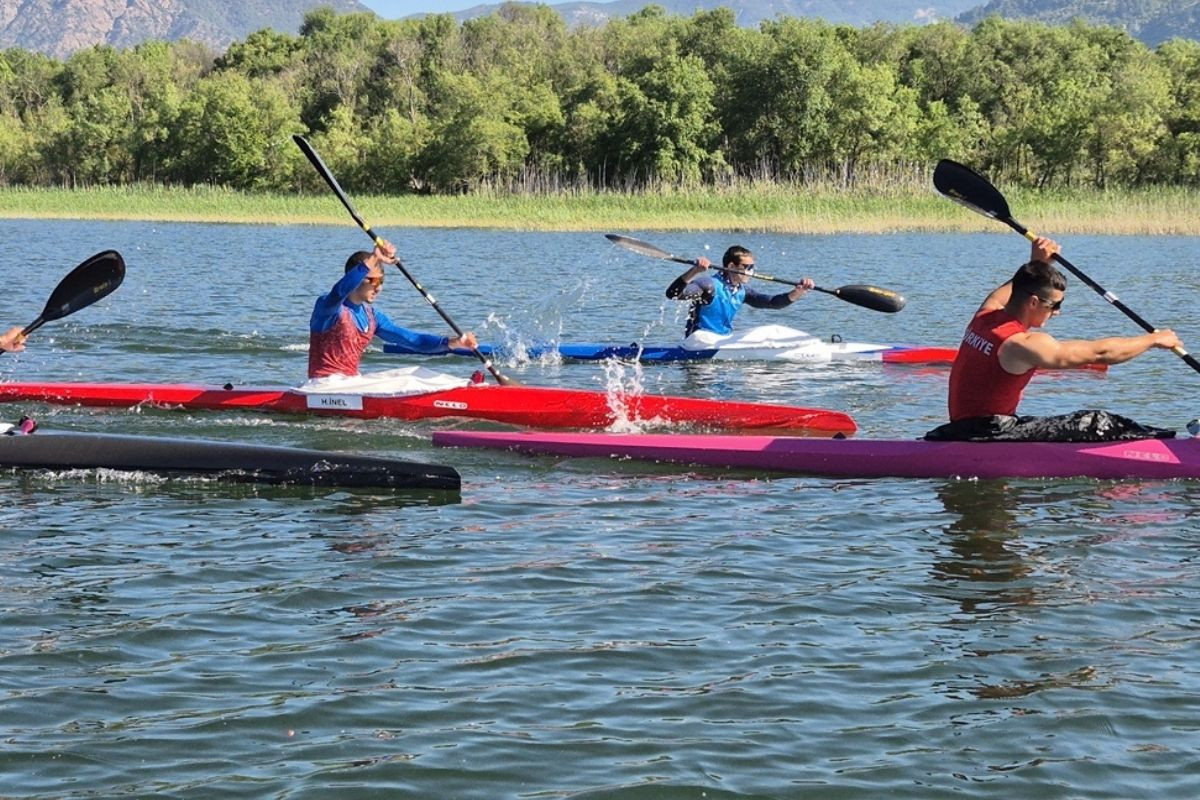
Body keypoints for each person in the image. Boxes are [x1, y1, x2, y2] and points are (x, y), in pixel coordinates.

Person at [925, 236, 1183, 442]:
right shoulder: (1020, 345)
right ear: (1034, 302)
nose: (1057, 313)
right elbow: (1099, 354)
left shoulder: (985, 316)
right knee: (1097, 422)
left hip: (962, 428)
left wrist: (1038, 263)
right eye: (1054, 306)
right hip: (988, 433)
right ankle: (1170, 447)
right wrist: (1154, 340)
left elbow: (1015, 287)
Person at [308, 240, 477, 379]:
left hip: (352, 382)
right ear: (355, 277)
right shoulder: (328, 308)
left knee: (414, 373)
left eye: (381, 282)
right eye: (373, 281)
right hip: (323, 386)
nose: (379, 288)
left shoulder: (373, 317)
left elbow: (413, 341)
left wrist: (452, 343)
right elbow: (339, 292)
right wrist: (374, 258)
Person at [665, 245, 815, 338]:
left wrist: (798, 291)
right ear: (731, 266)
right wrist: (694, 271)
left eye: (752, 267)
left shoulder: (742, 291)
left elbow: (773, 303)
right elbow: (673, 294)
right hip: (699, 341)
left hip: (721, 341)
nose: (750, 272)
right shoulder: (708, 284)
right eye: (746, 267)